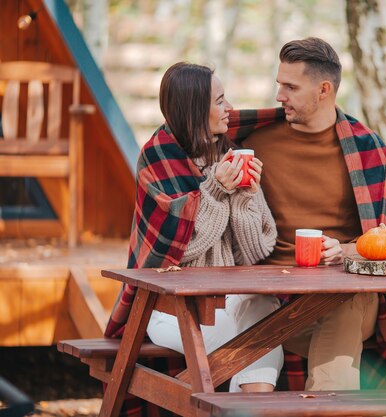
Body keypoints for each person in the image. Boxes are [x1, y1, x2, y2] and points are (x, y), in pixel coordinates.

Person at [227, 37, 386, 391]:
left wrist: (343, 250)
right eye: (278, 84)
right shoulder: (255, 144)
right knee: (327, 315)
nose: (279, 96)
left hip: (349, 295)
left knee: (345, 301)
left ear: (324, 90)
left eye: (290, 87)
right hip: (275, 303)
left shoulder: (366, 148)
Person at [104, 62, 283, 396]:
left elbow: (258, 250)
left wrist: (246, 198)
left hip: (232, 298)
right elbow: (177, 251)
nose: (229, 108)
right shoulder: (157, 160)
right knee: (248, 341)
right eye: (219, 100)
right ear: (195, 109)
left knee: (266, 321)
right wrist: (213, 192)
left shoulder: (230, 156)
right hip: (170, 307)